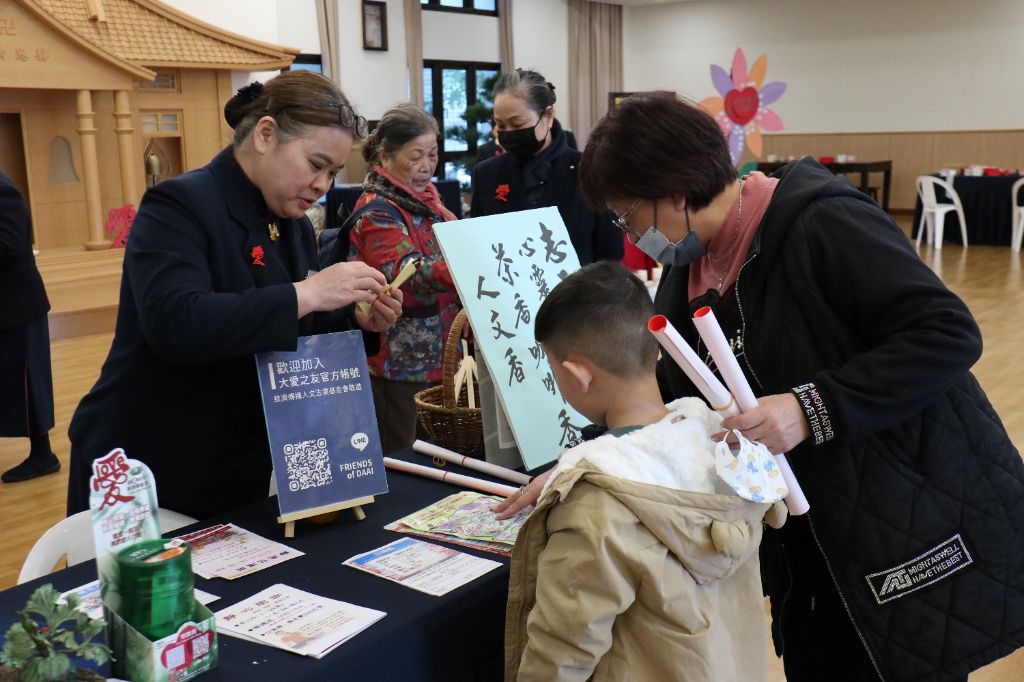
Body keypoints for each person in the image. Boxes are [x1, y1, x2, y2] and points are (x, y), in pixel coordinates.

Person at [569, 91, 1024, 681]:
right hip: (808, 538)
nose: (631, 233)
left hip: (904, 513)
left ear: (674, 194)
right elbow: (667, 387)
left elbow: (946, 333)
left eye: (629, 216)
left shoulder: (821, 221)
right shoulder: (691, 270)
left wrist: (811, 409)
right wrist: (581, 461)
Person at [66, 71, 403, 519]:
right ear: (266, 135)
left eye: (333, 173)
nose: (323, 185)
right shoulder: (180, 204)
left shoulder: (294, 225)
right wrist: (308, 292)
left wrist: (357, 321)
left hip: (237, 457)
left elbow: (294, 329)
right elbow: (177, 322)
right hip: (153, 457)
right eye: (315, 164)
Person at [503, 261, 783, 680]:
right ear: (655, 349)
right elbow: (775, 508)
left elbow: (563, 647)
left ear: (577, 374)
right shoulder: (718, 438)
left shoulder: (598, 501)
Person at [326, 103, 460, 454]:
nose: (427, 166)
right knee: (405, 458)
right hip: (398, 365)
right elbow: (411, 274)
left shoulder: (428, 202)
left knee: (441, 459)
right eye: (416, 156)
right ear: (384, 157)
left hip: (441, 357)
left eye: (432, 154)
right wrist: (472, 259)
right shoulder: (378, 211)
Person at [471, 69, 621, 265]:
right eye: (501, 126)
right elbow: (478, 248)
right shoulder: (487, 174)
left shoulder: (590, 170)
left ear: (548, 116)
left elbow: (610, 253)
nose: (508, 133)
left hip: (579, 292)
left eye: (517, 124)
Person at [0, 173, 61, 483]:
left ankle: (43, 456)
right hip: (6, 308)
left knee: (28, 385)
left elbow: (8, 244)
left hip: (18, 307)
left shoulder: (3, 189)